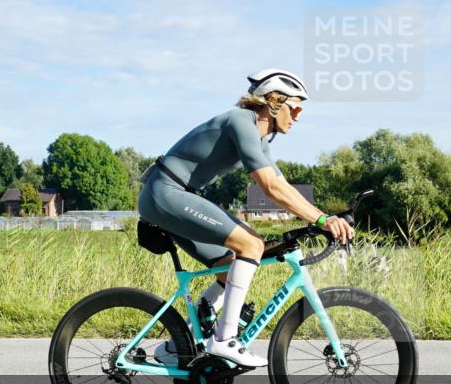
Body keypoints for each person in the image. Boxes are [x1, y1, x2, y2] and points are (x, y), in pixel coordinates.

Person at [137, 69, 354, 368]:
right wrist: (321, 221)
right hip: (166, 192)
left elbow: (283, 186)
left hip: (177, 195)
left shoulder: (261, 139)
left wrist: (322, 217)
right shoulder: (241, 121)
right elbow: (270, 187)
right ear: (274, 101)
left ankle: (178, 345)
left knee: (229, 266)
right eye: (296, 107)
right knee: (251, 243)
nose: (298, 116)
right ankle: (225, 341)